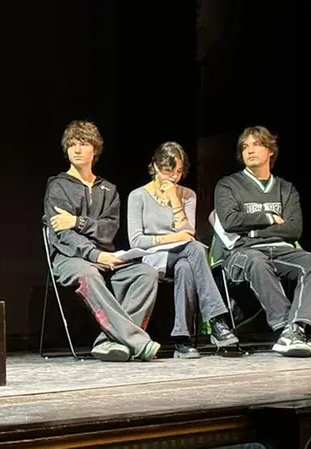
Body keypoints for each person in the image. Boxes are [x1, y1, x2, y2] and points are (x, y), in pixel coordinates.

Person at [45, 120, 161, 362]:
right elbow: (62, 235)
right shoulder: (58, 187)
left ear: (94, 150)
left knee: (146, 274)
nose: (77, 149)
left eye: (84, 143)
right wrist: (94, 253)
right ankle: (137, 341)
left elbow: (108, 231)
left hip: (107, 256)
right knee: (89, 274)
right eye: (72, 144)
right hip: (70, 259)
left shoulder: (109, 189)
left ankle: (109, 341)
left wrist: (77, 221)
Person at [213, 125, 311, 357]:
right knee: (256, 260)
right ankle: (287, 329)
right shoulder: (228, 185)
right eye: (245, 147)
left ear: (270, 150)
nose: (249, 150)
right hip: (241, 253)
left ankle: (299, 328)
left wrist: (254, 231)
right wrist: (269, 218)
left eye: (256, 144)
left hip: (281, 250)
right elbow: (231, 221)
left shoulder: (286, 188)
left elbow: (294, 230)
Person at [127, 142, 239, 358]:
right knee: (195, 249)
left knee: (187, 266)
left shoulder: (187, 195)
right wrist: (172, 238)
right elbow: (136, 241)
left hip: (183, 255)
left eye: (178, 171)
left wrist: (174, 199)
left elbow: (188, 232)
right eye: (168, 171)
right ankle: (216, 320)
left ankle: (182, 339)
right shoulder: (137, 196)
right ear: (156, 167)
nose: (174, 177)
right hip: (152, 259)